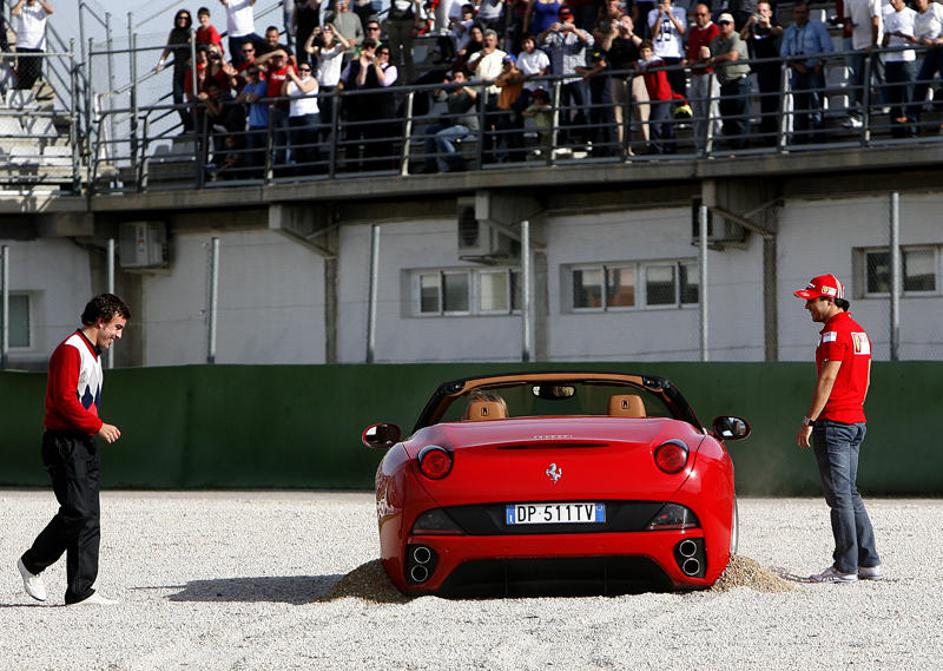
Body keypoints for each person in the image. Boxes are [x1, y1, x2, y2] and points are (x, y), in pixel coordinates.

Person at [16, 294, 131, 606]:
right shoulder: (71, 350)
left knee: (89, 516)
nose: (118, 335)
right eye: (117, 327)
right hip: (64, 443)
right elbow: (64, 400)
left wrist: (91, 431)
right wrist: (97, 426)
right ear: (100, 321)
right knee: (77, 512)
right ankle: (31, 564)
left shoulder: (92, 354)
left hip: (82, 442)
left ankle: (80, 591)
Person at [793, 274, 882, 584]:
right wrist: (853, 407)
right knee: (850, 493)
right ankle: (868, 562)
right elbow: (867, 379)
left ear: (829, 300)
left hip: (835, 423)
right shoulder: (860, 333)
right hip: (856, 420)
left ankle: (845, 566)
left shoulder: (833, 334)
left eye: (811, 300)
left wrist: (810, 420)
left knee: (839, 497)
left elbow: (827, 379)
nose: (807, 307)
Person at [780, 1, 833, 144]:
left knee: (816, 105)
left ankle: (819, 139)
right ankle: (800, 139)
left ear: (808, 13)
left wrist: (820, 63)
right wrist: (795, 64)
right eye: (798, 13)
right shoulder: (789, 31)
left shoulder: (817, 27)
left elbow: (828, 48)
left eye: (803, 13)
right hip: (797, 71)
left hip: (814, 70)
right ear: (793, 14)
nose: (800, 16)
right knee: (799, 107)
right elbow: (784, 53)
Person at [541, 6, 594, 146]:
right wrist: (548, 30)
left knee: (583, 108)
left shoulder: (581, 32)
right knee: (562, 112)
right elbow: (540, 42)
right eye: (562, 17)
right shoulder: (553, 35)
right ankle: (564, 142)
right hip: (560, 78)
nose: (565, 20)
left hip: (576, 77)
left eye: (567, 17)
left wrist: (573, 30)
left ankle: (586, 139)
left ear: (572, 18)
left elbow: (589, 42)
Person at [601, 14, 649, 154]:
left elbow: (645, 47)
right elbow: (604, 49)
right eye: (622, 22)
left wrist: (630, 33)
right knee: (619, 117)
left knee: (641, 113)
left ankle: (646, 146)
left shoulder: (635, 39)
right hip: (617, 79)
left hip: (635, 79)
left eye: (627, 22)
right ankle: (624, 148)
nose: (624, 24)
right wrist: (612, 33)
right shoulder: (614, 39)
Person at [740, 1, 783, 145]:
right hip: (763, 71)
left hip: (777, 69)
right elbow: (742, 37)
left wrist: (768, 26)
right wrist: (748, 23)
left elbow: (779, 32)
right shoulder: (754, 29)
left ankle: (780, 137)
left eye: (764, 11)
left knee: (777, 103)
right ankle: (768, 137)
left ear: (770, 13)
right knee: (766, 104)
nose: (761, 14)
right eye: (759, 11)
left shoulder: (775, 25)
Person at [708, 12, 751, 150]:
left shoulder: (738, 37)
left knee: (740, 117)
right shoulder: (715, 41)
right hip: (725, 83)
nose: (723, 26)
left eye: (727, 23)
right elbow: (710, 57)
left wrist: (715, 59)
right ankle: (733, 147)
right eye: (721, 24)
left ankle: (741, 148)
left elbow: (733, 56)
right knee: (727, 117)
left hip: (739, 81)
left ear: (732, 25)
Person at [422, 69, 479, 172]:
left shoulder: (470, 90)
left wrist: (464, 86)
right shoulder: (451, 93)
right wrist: (441, 85)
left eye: (459, 77)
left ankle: (456, 164)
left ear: (465, 79)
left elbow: (477, 97)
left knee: (441, 136)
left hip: (467, 127)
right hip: (454, 126)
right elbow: (437, 97)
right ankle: (431, 166)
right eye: (454, 78)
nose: (456, 80)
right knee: (430, 131)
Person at [842, 0, 883, 129]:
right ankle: (861, 113)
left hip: (873, 45)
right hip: (858, 45)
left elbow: (875, 20)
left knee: (879, 76)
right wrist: (849, 25)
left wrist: (874, 43)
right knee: (860, 80)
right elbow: (847, 18)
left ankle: (884, 105)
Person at [686, 3, 720, 154]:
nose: (700, 18)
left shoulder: (713, 29)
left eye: (703, 14)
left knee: (711, 111)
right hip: (695, 74)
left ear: (709, 15)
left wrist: (697, 59)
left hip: (708, 73)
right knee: (698, 113)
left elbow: (708, 54)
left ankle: (715, 143)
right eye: (697, 15)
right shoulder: (693, 31)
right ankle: (700, 146)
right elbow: (692, 53)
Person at [155, 9, 195, 131]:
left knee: (192, 98)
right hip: (178, 68)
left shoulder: (191, 32)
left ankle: (192, 126)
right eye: (180, 18)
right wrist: (161, 63)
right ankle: (189, 124)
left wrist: (192, 58)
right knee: (177, 100)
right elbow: (168, 49)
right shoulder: (174, 32)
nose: (183, 20)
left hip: (189, 69)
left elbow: (196, 46)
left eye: (185, 18)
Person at [906, 0, 943, 130]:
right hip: (930, 51)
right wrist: (922, 41)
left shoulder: (936, 8)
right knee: (921, 81)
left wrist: (940, 40)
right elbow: (917, 38)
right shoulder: (916, 16)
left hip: (941, 48)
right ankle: (912, 117)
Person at [882, 0, 917, 137]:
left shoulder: (912, 15)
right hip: (891, 60)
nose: (892, 2)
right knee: (894, 99)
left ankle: (912, 129)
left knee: (909, 97)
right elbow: (884, 41)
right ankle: (897, 131)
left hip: (906, 59)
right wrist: (887, 38)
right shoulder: (889, 16)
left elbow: (918, 39)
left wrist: (904, 35)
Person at [647, 0, 687, 112]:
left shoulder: (679, 11)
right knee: (662, 89)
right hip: (659, 54)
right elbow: (653, 34)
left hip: (675, 54)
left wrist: (670, 15)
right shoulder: (653, 13)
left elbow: (682, 30)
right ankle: (665, 115)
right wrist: (660, 16)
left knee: (678, 87)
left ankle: (682, 114)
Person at [637, 38, 674, 153]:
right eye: (643, 51)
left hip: (662, 97)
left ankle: (657, 150)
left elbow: (656, 65)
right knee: (667, 124)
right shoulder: (642, 64)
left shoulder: (658, 62)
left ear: (652, 52)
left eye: (647, 51)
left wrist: (643, 69)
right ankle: (669, 149)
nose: (645, 54)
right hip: (654, 98)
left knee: (655, 124)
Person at [284, 61, 321, 170]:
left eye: (306, 70)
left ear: (310, 72)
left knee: (310, 145)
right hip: (295, 116)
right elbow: (285, 94)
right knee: (297, 146)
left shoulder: (312, 81)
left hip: (310, 116)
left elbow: (304, 89)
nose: (303, 72)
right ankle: (302, 171)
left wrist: (294, 77)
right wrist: (287, 80)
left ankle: (314, 171)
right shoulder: (292, 82)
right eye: (301, 69)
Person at [11, 0, 54, 91]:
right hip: (23, 44)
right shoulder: (22, 7)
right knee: (22, 72)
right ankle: (23, 90)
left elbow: (51, 10)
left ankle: (24, 89)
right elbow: (13, 12)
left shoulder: (41, 8)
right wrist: (21, 1)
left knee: (35, 71)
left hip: (37, 46)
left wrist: (40, 1)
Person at [384, 0, 422, 82]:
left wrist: (416, 25)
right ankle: (396, 79)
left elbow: (418, 4)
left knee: (407, 53)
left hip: (408, 21)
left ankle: (411, 79)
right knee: (395, 53)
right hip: (393, 20)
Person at [220, 0, 263, 67]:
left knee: (265, 48)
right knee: (238, 62)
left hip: (249, 33)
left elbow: (253, 1)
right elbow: (223, 1)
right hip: (234, 36)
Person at [292, 0, 323, 67]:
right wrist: (293, 26)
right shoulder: (298, 2)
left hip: (313, 31)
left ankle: (315, 71)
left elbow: (317, 3)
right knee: (301, 56)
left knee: (315, 56)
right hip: (301, 31)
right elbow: (295, 13)